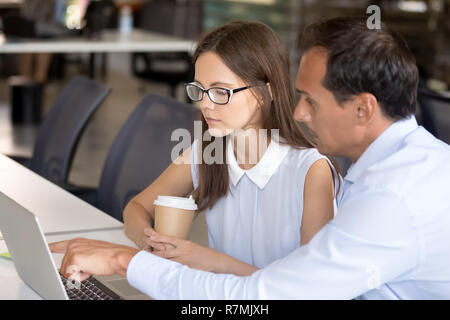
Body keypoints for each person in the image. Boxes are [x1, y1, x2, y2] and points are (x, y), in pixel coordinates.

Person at [50, 17, 450, 299]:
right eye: (199, 90)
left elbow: (277, 291)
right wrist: (152, 253)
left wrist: (130, 260)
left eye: (311, 100)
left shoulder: (381, 195)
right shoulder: (386, 173)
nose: (299, 113)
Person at [112, 21, 337, 277]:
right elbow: (136, 207)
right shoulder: (208, 153)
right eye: (200, 90)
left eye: (221, 92)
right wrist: (150, 241)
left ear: (266, 93)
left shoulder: (310, 171)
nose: (206, 105)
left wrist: (209, 261)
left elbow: (314, 287)